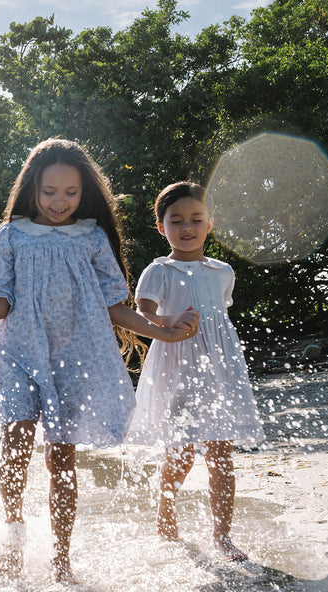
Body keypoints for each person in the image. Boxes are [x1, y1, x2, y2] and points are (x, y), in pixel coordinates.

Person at [0, 139, 198, 583]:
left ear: (85, 193)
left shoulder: (93, 237)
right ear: (32, 190)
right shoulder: (11, 236)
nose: (60, 201)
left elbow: (115, 306)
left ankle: (61, 559)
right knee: (16, 447)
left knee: (61, 460)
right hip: (19, 353)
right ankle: (14, 531)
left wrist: (161, 329)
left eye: (71, 193)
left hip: (75, 358)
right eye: (50, 191)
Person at [126, 182, 265, 561]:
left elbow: (218, 322)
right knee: (182, 453)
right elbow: (143, 317)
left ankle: (222, 536)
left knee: (222, 453)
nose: (187, 227)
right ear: (161, 226)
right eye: (176, 220)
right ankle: (165, 518)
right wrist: (173, 320)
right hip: (176, 369)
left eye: (196, 219)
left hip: (217, 371)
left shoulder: (222, 272)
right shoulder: (159, 272)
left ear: (209, 224)